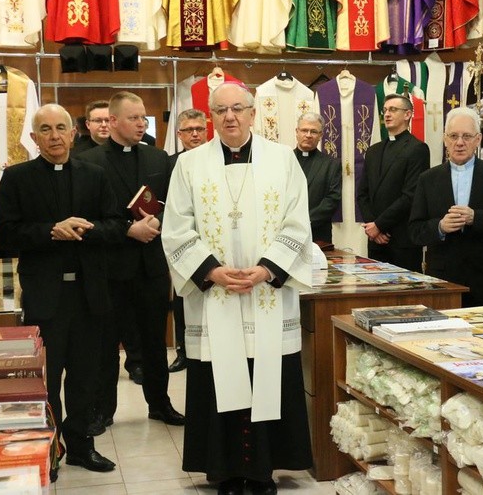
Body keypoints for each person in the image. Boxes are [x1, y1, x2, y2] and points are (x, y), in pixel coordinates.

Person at [161, 82, 313, 495]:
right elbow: (175, 230)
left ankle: (263, 471)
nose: (230, 116)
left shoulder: (283, 160)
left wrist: (267, 270)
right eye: (221, 110)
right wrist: (210, 271)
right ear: (210, 116)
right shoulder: (189, 165)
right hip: (217, 296)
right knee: (217, 379)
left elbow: (298, 223)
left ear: (252, 113)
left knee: (267, 375)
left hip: (267, 293)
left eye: (238, 109)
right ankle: (225, 471)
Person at [0, 104, 121, 475]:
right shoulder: (17, 179)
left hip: (88, 295)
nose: (54, 136)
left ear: (73, 133)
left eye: (60, 128)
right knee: (47, 381)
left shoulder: (96, 176)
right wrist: (51, 230)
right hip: (44, 296)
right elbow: (5, 234)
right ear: (33, 138)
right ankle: (48, 449)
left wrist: (88, 229)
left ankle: (82, 445)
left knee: (84, 376)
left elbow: (115, 225)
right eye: (45, 130)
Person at [76, 91, 185, 435]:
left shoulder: (157, 158)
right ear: (112, 121)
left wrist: (158, 221)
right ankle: (102, 411)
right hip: (110, 268)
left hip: (151, 266)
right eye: (134, 118)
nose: (142, 123)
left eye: (144, 118)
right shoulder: (90, 162)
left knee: (155, 341)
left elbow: (175, 204)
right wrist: (128, 229)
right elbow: (86, 219)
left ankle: (160, 404)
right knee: (106, 344)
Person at [409, 107, 483, 307]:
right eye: (453, 136)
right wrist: (440, 227)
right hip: (443, 280)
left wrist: (476, 218)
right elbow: (414, 231)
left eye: (467, 136)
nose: (460, 143)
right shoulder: (428, 179)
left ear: (478, 139)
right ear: (445, 139)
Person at [357, 93, 430, 272]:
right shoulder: (373, 151)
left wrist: (379, 225)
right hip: (375, 240)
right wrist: (372, 228)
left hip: (402, 239)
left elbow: (410, 195)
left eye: (393, 109)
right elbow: (362, 193)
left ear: (408, 114)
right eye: (385, 110)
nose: (387, 114)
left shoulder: (417, 149)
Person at [168, 108, 208, 373]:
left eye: (199, 129)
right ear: (179, 134)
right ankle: (183, 349)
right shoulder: (170, 163)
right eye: (189, 130)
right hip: (182, 242)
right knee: (183, 297)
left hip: (212, 242)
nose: (195, 134)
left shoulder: (216, 159)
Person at [294, 112, 341, 244]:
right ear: (297, 132)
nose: (308, 135)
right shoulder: (284, 160)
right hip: (286, 230)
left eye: (314, 131)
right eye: (304, 130)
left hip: (318, 233)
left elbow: (332, 199)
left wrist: (306, 220)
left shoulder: (331, 164)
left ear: (321, 135)